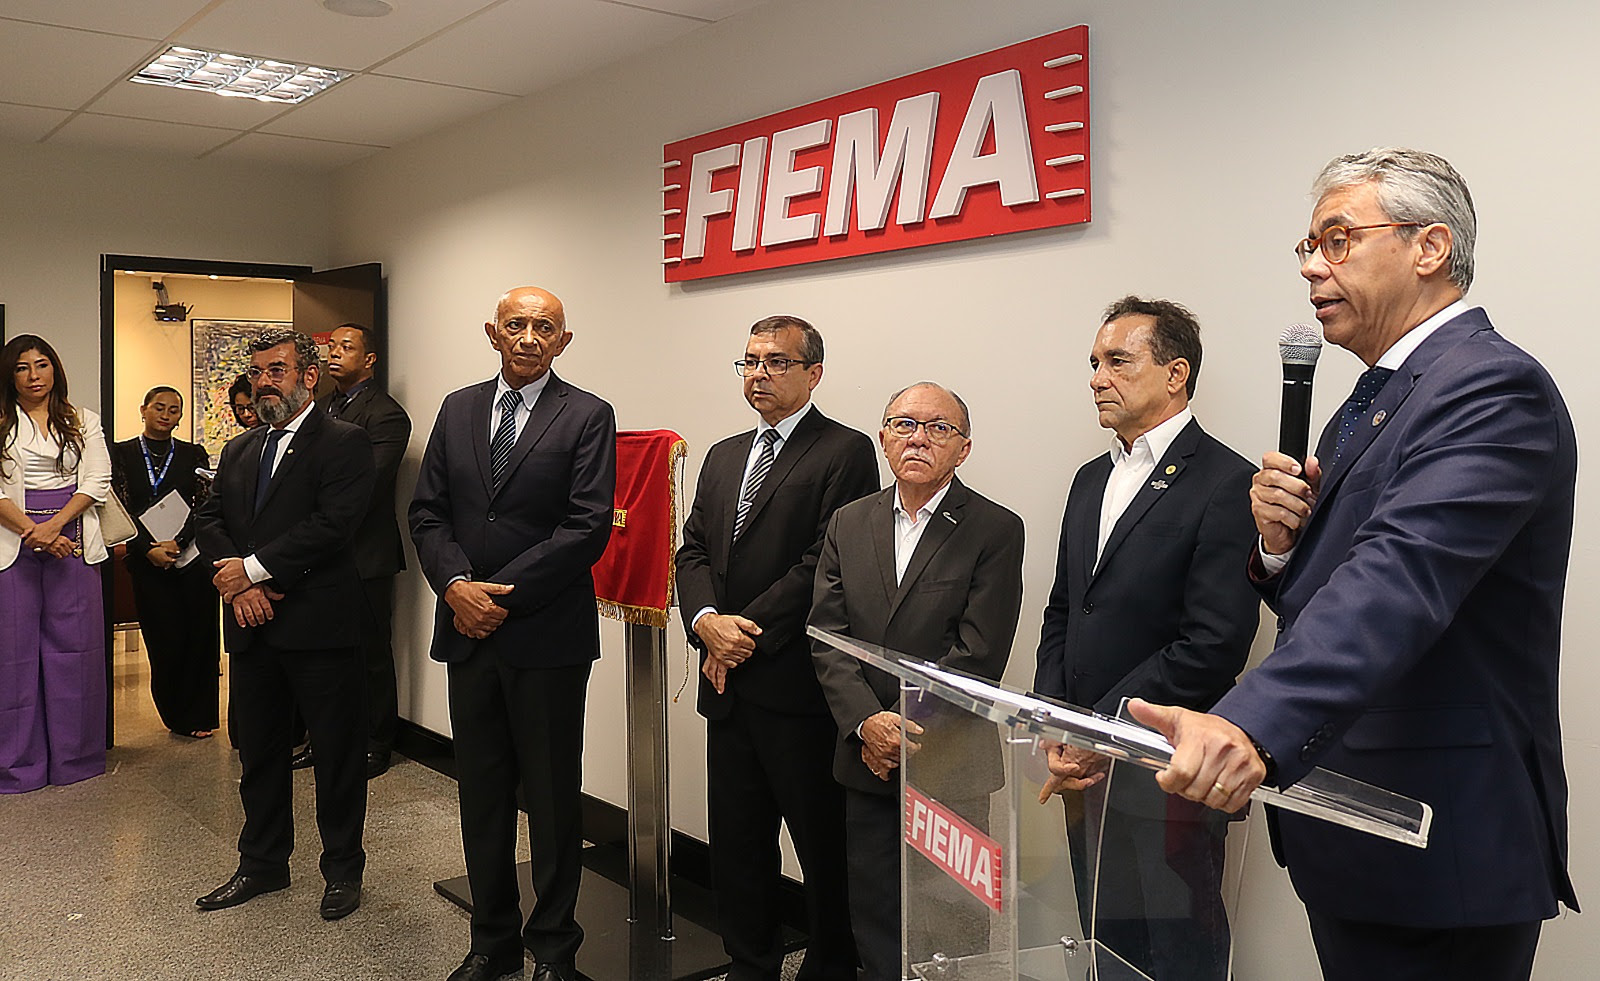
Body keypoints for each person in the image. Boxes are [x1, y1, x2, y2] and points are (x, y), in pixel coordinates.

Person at [1130, 148, 1579, 981]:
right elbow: (1327, 582)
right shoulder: (1369, 400)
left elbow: (1398, 581)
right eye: (1307, 245)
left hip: (1440, 840)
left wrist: (1248, 720)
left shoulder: (1490, 387)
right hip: (1351, 822)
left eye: (1336, 240)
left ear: (1430, 246)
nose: (1310, 265)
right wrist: (1275, 546)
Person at [1032, 297, 1259, 981]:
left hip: (1168, 771)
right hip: (1082, 762)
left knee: (1176, 950)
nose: (1098, 377)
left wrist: (1100, 729)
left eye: (1118, 361)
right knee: (1107, 940)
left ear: (1175, 373)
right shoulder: (1089, 478)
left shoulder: (1226, 481)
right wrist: (1052, 719)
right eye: (1095, 363)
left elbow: (1212, 643)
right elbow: (1064, 608)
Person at [410, 286, 616, 981]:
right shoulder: (457, 407)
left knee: (554, 800)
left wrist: (499, 595)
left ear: (564, 340)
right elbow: (427, 513)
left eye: (545, 326)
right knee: (483, 794)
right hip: (467, 631)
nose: (529, 335)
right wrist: (457, 587)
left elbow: (585, 525)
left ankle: (554, 947)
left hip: (546, 635)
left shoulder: (587, 415)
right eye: (516, 324)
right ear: (493, 333)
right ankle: (491, 940)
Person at [676, 315, 877, 981]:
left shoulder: (843, 451)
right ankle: (749, 961)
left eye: (775, 361)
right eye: (749, 361)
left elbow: (820, 564)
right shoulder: (725, 452)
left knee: (820, 844)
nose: (758, 373)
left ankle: (829, 966)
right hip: (727, 686)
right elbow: (694, 548)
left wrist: (738, 635)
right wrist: (706, 620)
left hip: (796, 689)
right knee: (738, 843)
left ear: (813, 373)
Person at [809, 382, 1024, 981]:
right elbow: (826, 636)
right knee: (874, 912)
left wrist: (903, 731)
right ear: (882, 438)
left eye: (938, 428)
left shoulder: (995, 529)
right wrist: (866, 724)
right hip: (866, 754)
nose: (918, 438)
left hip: (948, 757)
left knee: (950, 917)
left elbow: (978, 653)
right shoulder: (849, 522)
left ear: (964, 448)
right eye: (903, 424)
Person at [192, 328, 375, 922]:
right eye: (259, 373)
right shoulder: (241, 449)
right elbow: (210, 516)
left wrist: (250, 573)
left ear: (308, 376)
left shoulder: (344, 442)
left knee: (336, 755)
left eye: (277, 370)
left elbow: (334, 525)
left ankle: (343, 869)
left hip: (319, 625)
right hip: (254, 631)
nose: (265, 382)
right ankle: (262, 863)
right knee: (259, 753)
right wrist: (238, 580)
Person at [0, 334, 113, 794]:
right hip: (14, 543)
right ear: (10, 376)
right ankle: (17, 766)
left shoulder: (84, 420)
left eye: (42, 365)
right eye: (23, 367)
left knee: (77, 653)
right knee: (14, 657)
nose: (34, 376)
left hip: (75, 541)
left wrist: (57, 527)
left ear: (55, 370)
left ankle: (76, 758)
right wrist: (33, 531)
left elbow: (97, 478)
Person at [323, 322, 412, 779]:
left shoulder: (386, 415)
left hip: (365, 554)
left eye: (347, 347)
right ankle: (330, 740)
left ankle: (378, 742)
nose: (334, 353)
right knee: (327, 653)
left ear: (370, 359)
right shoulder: (321, 407)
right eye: (331, 346)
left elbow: (366, 486)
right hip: (319, 556)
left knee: (370, 653)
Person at [110, 385, 219, 739]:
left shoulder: (193, 454)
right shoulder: (122, 454)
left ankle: (201, 716)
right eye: (159, 407)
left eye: (174, 409)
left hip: (190, 559)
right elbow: (119, 507)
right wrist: (148, 548)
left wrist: (180, 541)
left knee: (199, 637)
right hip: (146, 561)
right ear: (143, 409)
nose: (166, 414)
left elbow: (205, 504)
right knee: (165, 640)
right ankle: (176, 713)